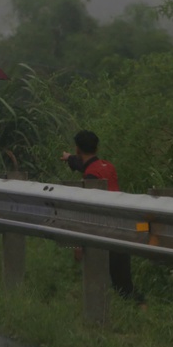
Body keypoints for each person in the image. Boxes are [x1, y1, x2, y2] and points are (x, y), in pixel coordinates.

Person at [61, 130, 144, 304]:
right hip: (122, 225)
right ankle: (137, 306)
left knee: (109, 280)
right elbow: (86, 164)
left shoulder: (90, 176)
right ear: (97, 147)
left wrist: (79, 244)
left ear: (77, 149)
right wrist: (69, 158)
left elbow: (89, 211)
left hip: (104, 228)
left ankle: (132, 306)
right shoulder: (108, 166)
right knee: (122, 279)